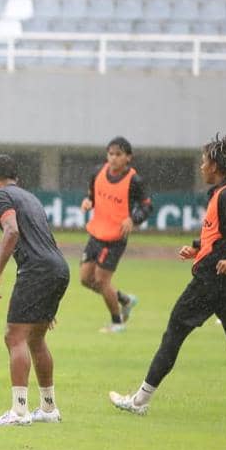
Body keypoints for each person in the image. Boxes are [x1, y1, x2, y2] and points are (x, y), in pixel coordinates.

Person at [110, 135, 226, 415]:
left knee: (174, 333)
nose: (201, 166)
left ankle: (139, 402)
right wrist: (197, 248)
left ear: (215, 165)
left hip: (211, 280)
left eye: (204, 161)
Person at [0, 155, 71, 426]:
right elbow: (44, 237)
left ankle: (19, 412)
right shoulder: (29, 197)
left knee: (14, 337)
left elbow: (11, 232)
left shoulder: (0, 196)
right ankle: (48, 408)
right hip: (57, 267)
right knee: (35, 338)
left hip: (37, 271)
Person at [79, 136, 152, 333]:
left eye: (118, 154)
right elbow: (92, 195)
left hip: (115, 238)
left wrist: (133, 219)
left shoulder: (134, 181)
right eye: (110, 154)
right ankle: (124, 300)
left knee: (102, 281)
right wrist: (88, 201)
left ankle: (117, 323)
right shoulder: (97, 172)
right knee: (86, 279)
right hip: (96, 233)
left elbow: (146, 206)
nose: (113, 158)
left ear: (128, 157)